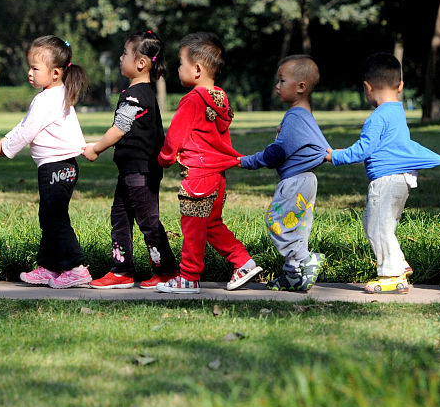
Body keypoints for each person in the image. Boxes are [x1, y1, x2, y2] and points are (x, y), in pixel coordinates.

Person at [328, 53, 440, 294]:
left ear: (367, 87)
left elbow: (364, 149)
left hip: (386, 180)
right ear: (401, 85)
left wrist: (335, 156)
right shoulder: (396, 112)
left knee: (376, 227)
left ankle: (391, 274)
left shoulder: (377, 117)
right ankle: (399, 265)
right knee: (381, 224)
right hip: (400, 179)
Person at [155, 32, 262, 294]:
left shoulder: (192, 100)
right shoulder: (221, 98)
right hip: (218, 176)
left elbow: (175, 137)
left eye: (181, 63)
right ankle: (244, 262)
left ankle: (189, 277)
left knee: (192, 227)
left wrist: (165, 159)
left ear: (198, 69)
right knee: (212, 224)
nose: (178, 68)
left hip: (199, 177)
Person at [0, 36, 92, 289]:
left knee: (55, 218)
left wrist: (7, 148)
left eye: (35, 68)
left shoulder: (48, 98)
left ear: (56, 73)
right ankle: (48, 267)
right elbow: (26, 124)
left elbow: (27, 130)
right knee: (48, 216)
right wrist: (6, 138)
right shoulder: (51, 94)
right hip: (59, 166)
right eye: (30, 67)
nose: (29, 73)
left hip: (56, 166)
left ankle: (75, 267)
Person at [83, 30, 178, 289]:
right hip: (130, 171)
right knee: (120, 217)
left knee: (148, 221)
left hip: (141, 170)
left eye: (125, 53)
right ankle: (122, 270)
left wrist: (96, 148)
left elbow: (120, 127)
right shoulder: (138, 92)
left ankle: (167, 271)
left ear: (141, 63)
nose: (120, 57)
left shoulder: (137, 95)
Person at [236, 55, 331, 292]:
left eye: (281, 81)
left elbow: (276, 154)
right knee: (297, 228)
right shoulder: (303, 117)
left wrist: (247, 161)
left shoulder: (295, 116)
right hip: (306, 180)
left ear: (301, 87)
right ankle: (293, 276)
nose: (277, 86)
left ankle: (306, 260)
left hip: (295, 181)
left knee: (276, 222)